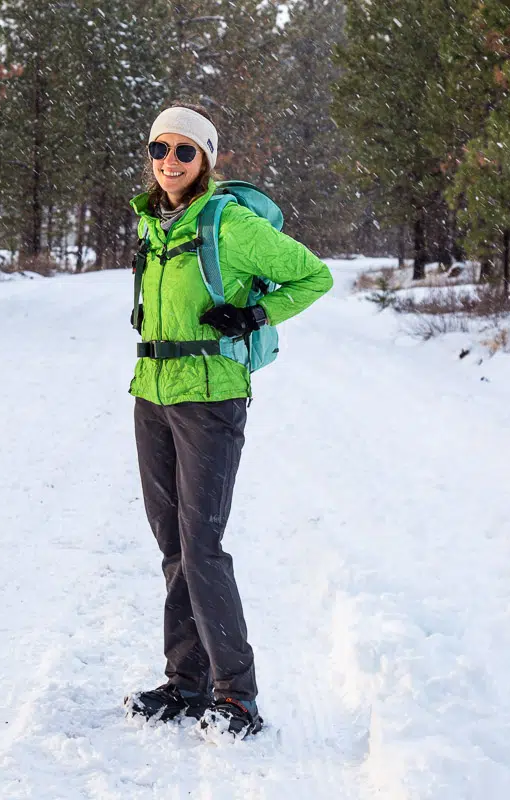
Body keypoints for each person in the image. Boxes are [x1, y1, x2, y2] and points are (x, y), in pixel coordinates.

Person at [123, 104, 333, 737]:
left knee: (203, 547)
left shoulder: (228, 222)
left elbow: (313, 276)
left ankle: (237, 696)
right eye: (161, 148)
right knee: (173, 548)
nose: (169, 161)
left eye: (185, 151)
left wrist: (255, 315)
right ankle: (184, 684)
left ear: (206, 159)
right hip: (152, 393)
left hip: (211, 398)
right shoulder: (153, 224)